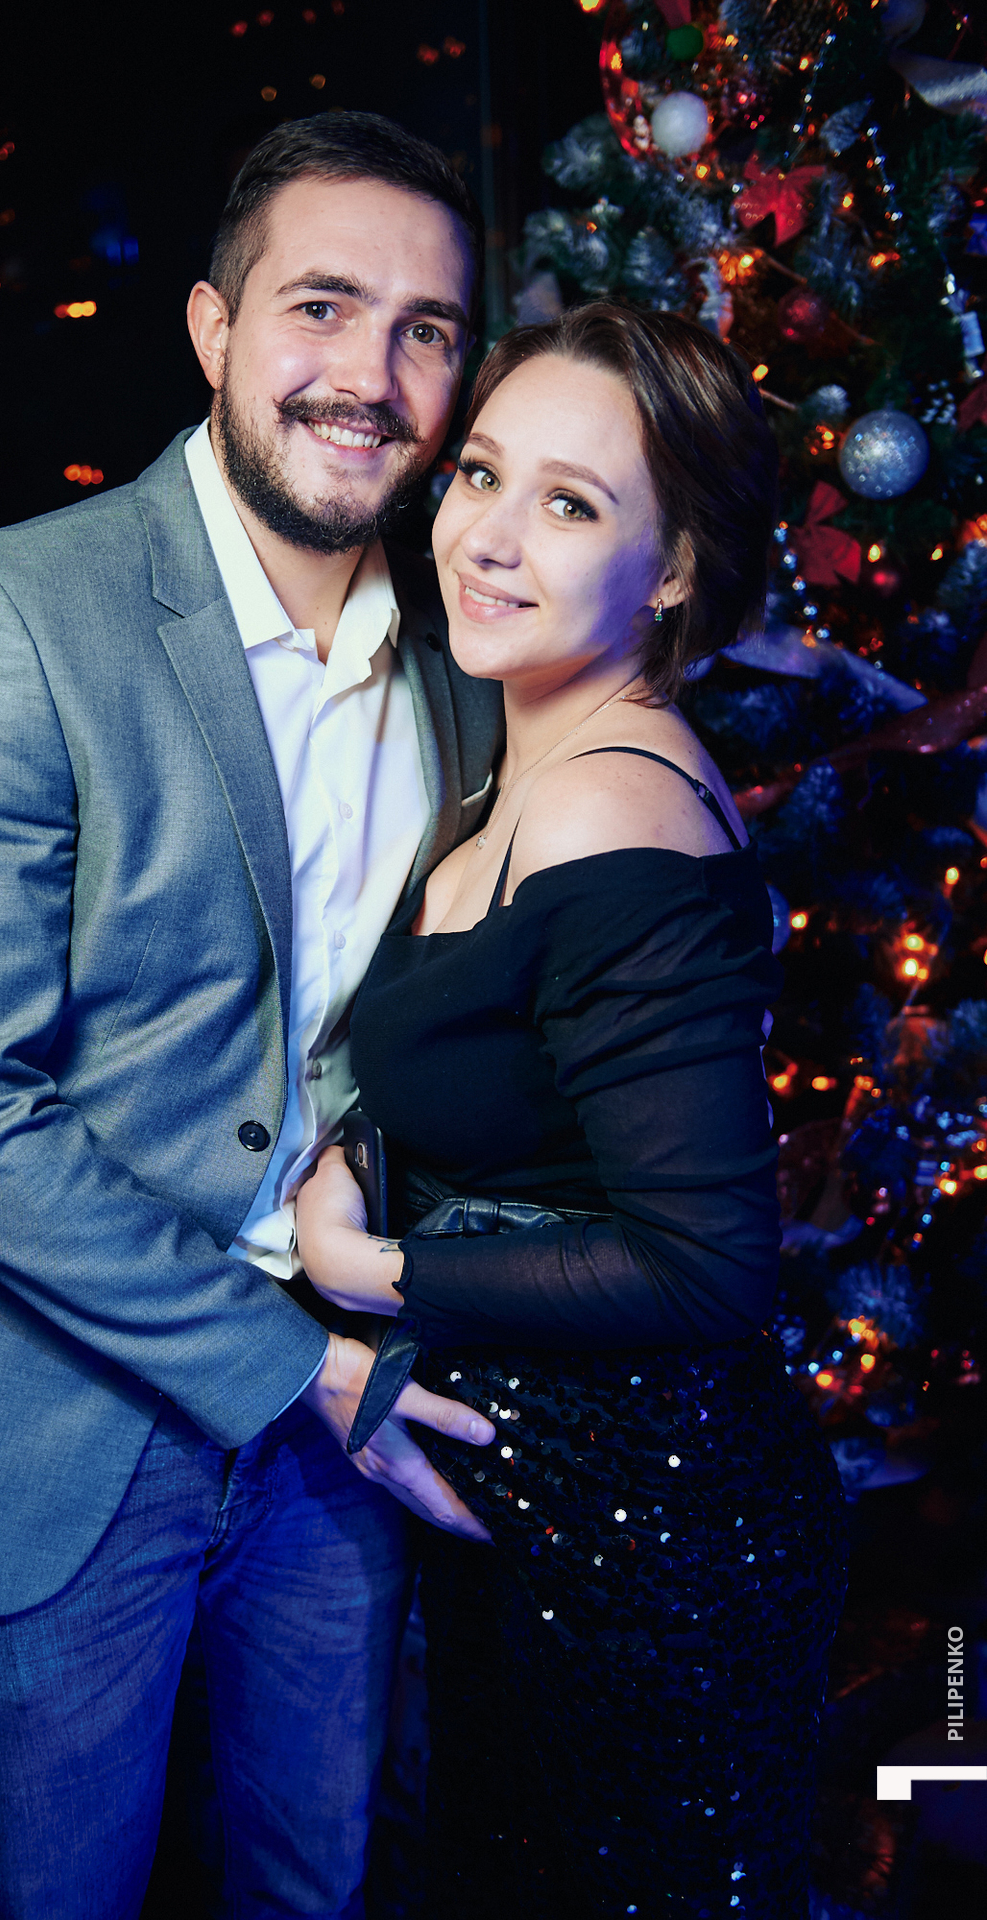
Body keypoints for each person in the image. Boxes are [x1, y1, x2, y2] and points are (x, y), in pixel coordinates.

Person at [0, 111, 502, 1920]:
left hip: (339, 1429)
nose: (370, 377)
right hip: (57, 1422)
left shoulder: (468, 655)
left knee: (312, 1887)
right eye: (322, 307)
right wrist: (294, 1368)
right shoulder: (15, 605)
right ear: (211, 328)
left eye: (425, 330)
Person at [296, 304, 850, 1919]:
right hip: (550, 1531)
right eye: (481, 474)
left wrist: (367, 1268)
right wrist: (359, 1159)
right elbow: (514, 1093)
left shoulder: (609, 802)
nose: (487, 535)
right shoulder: (527, 763)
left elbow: (706, 1266)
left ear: (671, 570)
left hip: (648, 1551)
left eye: (570, 503)